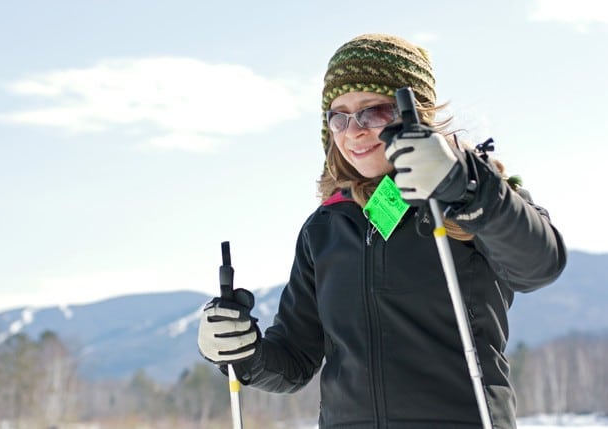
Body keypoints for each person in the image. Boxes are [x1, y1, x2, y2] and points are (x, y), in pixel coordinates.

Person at [197, 33, 566, 429]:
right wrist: (244, 353)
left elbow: (540, 265)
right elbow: (295, 361)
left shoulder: (472, 196)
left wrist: (465, 185)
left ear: (414, 114)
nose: (353, 131)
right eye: (338, 116)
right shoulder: (326, 228)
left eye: (373, 112)